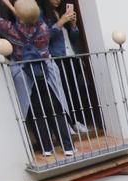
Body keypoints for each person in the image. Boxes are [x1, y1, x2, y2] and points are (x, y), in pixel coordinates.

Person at [0, 0, 75, 157]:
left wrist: (5, 5)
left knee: (36, 111)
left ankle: (47, 149)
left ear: (19, 15)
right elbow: (38, 22)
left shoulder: (12, 31)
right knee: (55, 107)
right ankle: (68, 147)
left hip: (25, 75)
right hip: (46, 72)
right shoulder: (43, 29)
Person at [40, 0, 90, 136]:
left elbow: (74, 38)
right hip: (57, 57)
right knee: (61, 92)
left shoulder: (62, 12)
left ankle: (76, 121)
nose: (58, 0)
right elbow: (43, 38)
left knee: (75, 90)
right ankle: (67, 123)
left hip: (71, 56)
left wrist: (73, 25)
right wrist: (60, 23)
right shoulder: (42, 14)